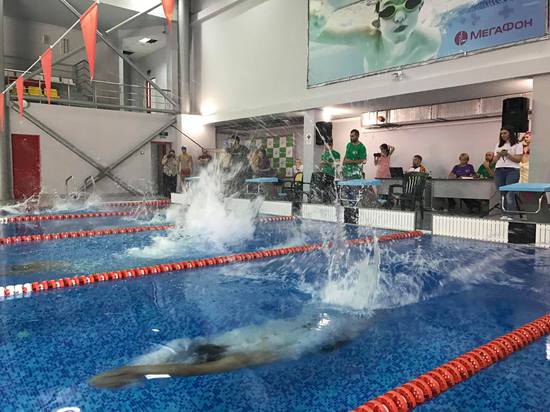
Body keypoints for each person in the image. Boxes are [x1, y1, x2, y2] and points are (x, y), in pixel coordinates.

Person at [90, 310, 371, 389]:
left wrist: (136, 371)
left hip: (290, 338)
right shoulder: (246, 351)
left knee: (185, 346)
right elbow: (191, 365)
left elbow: (191, 367)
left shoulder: (237, 353)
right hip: (291, 338)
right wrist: (135, 371)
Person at [309, 0, 441, 73]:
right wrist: (314, 26)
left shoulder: (431, 42)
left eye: (410, 4)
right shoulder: (368, 40)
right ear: (377, 23)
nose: (400, 17)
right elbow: (315, 36)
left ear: (419, 7)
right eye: (388, 10)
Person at [494, 126, 523, 219]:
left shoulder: (517, 144)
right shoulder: (498, 145)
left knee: (510, 193)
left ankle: (510, 214)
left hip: (512, 170)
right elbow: (494, 160)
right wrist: (499, 155)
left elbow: (518, 159)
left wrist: (507, 154)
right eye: (501, 133)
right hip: (499, 170)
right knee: (502, 192)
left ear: (510, 133)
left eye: (505, 133)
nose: (503, 135)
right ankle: (504, 214)